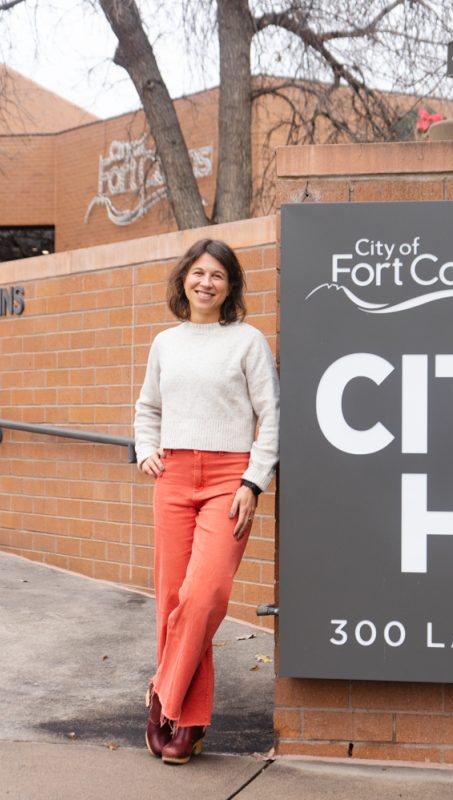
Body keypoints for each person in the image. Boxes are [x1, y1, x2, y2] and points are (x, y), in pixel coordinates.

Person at [133, 238, 279, 765]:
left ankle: (161, 697)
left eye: (217, 275)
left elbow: (272, 415)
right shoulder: (165, 343)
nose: (206, 282)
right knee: (173, 598)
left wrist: (253, 481)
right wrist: (146, 447)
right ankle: (188, 724)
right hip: (172, 479)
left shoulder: (247, 342)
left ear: (230, 285)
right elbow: (147, 407)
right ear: (184, 280)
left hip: (228, 480)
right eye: (198, 273)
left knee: (206, 594)